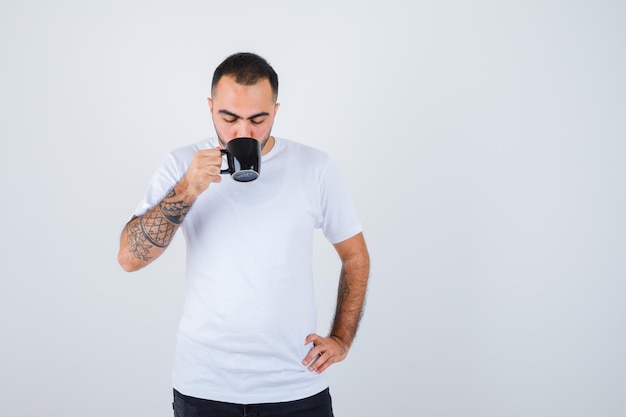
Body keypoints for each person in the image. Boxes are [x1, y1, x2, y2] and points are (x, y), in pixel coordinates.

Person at [118, 52, 370, 417]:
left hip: (296, 385)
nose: (243, 133)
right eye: (229, 118)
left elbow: (355, 254)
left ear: (276, 111)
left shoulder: (315, 168)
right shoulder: (180, 165)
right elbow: (129, 258)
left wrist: (342, 339)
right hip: (204, 387)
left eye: (258, 119)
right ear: (210, 108)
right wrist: (187, 189)